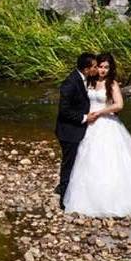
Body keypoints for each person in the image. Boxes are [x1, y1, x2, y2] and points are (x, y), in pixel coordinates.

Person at [62, 53, 131, 217]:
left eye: (106, 67)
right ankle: (88, 196)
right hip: (89, 124)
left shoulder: (112, 84)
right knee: (87, 158)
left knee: (112, 159)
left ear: (110, 69)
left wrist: (101, 112)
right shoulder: (89, 81)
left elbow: (119, 105)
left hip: (106, 123)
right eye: (100, 66)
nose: (102, 70)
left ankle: (119, 198)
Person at [54, 52, 101, 209]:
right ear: (87, 69)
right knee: (69, 164)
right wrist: (84, 117)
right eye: (94, 66)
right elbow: (64, 111)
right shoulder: (70, 83)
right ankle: (64, 200)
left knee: (75, 163)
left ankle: (68, 191)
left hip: (75, 130)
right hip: (69, 132)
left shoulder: (82, 79)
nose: (96, 69)